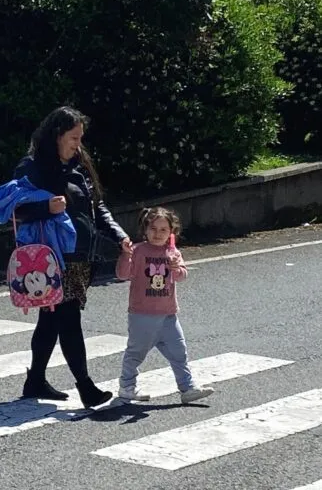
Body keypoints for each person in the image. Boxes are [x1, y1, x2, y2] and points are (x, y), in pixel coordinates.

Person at [13, 105, 130, 408]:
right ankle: (85, 386)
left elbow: (97, 207)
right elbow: (14, 209)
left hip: (81, 257)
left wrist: (119, 236)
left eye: (80, 138)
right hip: (52, 258)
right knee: (67, 319)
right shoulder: (33, 168)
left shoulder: (78, 167)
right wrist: (44, 208)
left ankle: (35, 379)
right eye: (73, 138)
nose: (78, 144)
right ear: (56, 135)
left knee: (51, 320)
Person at [115, 206, 214, 403]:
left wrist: (176, 267)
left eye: (163, 230)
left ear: (171, 233)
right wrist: (126, 255)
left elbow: (182, 276)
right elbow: (122, 274)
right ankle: (127, 386)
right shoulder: (138, 251)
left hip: (168, 313)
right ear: (145, 230)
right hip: (142, 313)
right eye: (153, 229)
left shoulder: (172, 252)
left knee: (179, 351)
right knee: (136, 353)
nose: (158, 234)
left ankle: (187, 388)